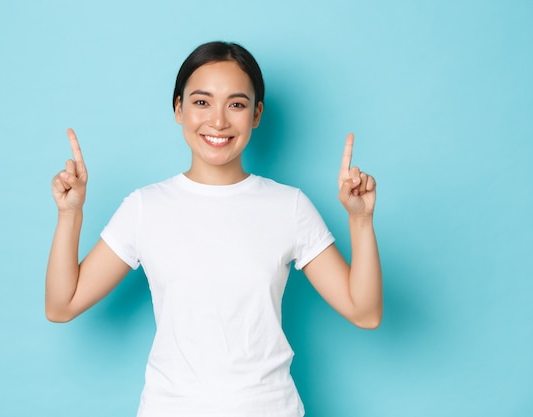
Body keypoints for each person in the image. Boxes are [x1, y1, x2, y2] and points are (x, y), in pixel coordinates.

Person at [46, 41, 382, 417]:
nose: (218, 121)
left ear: (256, 114)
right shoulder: (145, 207)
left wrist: (361, 220)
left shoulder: (289, 206)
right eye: (202, 102)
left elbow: (364, 312)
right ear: (178, 108)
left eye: (236, 104)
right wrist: (70, 214)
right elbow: (62, 305)